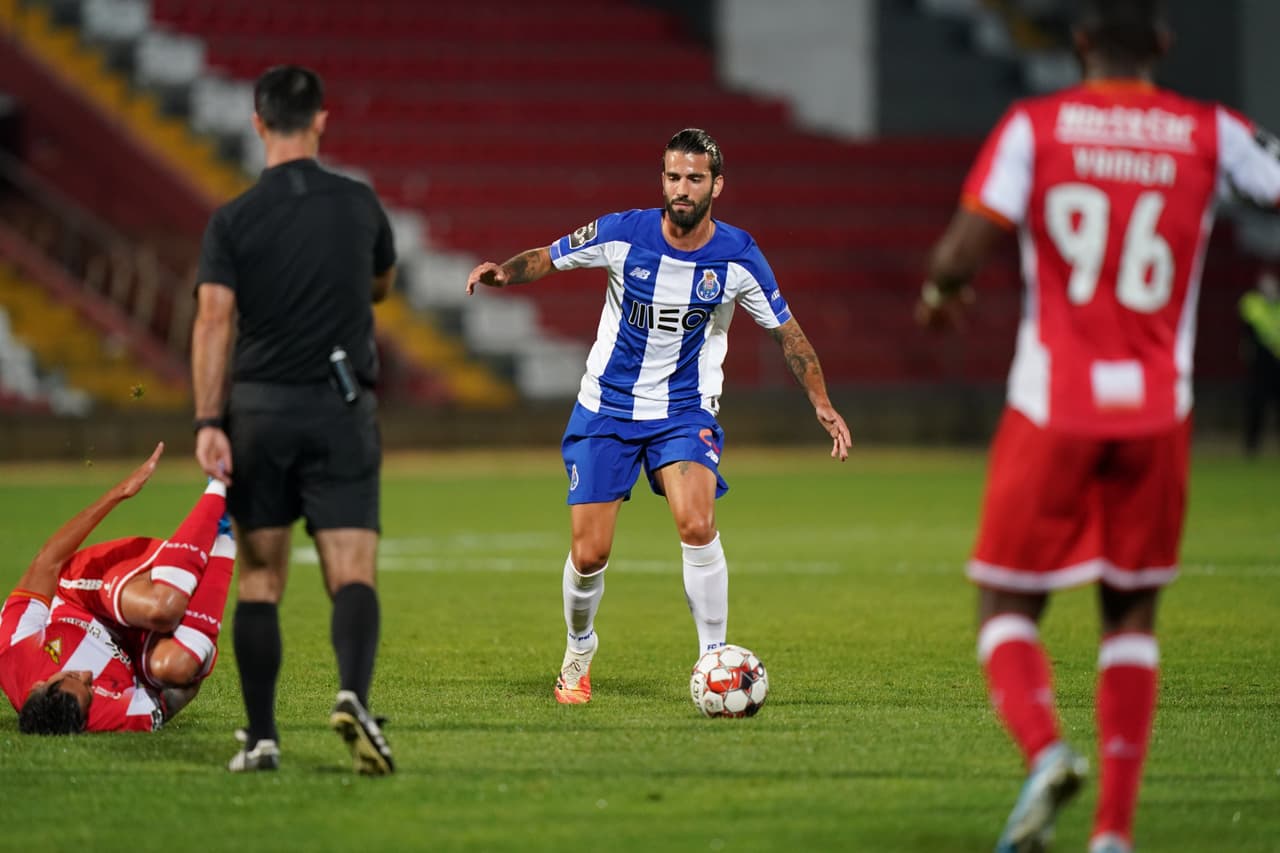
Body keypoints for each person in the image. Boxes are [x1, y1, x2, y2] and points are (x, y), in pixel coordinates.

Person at [914, 2, 1280, 852]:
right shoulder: (1210, 130)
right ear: (1162, 43)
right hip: (1160, 409)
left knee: (1006, 600)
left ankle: (1046, 754)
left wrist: (941, 295)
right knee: (1130, 613)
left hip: (1055, 404)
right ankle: (1113, 832)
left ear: (1078, 41)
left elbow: (959, 253)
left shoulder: (1035, 127)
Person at [466, 128, 851, 706]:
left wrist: (821, 401)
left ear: (716, 185)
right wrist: (505, 273)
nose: (682, 188)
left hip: (684, 409)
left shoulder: (739, 256)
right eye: (673, 177)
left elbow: (786, 332)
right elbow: (549, 256)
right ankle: (579, 648)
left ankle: (713, 659)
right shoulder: (624, 233)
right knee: (590, 553)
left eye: (695, 178)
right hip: (607, 407)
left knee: (697, 524)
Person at [191, 65, 397, 775]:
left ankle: (261, 736)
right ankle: (353, 696)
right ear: (321, 120)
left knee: (259, 578)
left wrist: (206, 420)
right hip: (340, 407)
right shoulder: (360, 204)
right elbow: (380, 283)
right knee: (351, 569)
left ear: (257, 124)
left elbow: (214, 319)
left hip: (258, 412)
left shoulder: (233, 220)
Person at [1, 443, 235, 733]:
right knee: (177, 666)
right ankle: (229, 530)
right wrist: (198, 656)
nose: (88, 675)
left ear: (40, 684)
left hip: (81, 598)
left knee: (163, 608)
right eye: (90, 688)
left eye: (74, 674)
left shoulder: (14, 651)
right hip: (133, 644)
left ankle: (221, 482)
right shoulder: (108, 717)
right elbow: (171, 699)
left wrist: (119, 493)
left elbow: (47, 562)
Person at [1238, 269, 1280, 455]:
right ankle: (1252, 446)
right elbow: (1245, 329)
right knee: (1257, 406)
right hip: (1260, 364)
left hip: (1277, 363)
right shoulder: (1252, 303)